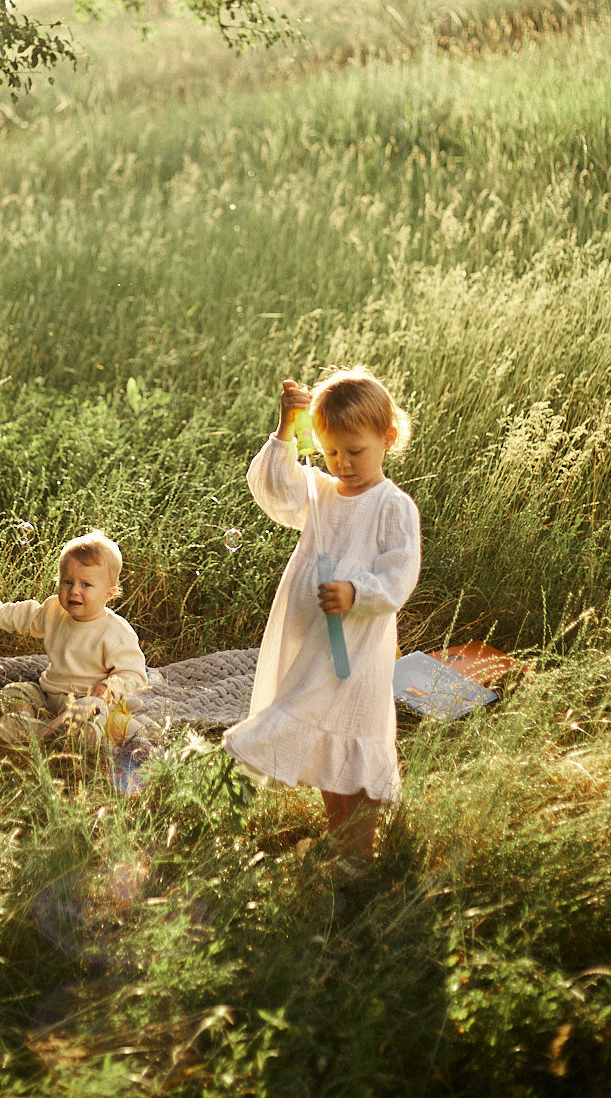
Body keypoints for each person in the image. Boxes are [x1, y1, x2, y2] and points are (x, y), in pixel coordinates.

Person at [223, 367, 420, 868]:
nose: (344, 464)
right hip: (312, 637)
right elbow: (273, 486)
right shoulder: (322, 493)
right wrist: (288, 428)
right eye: (333, 452)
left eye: (356, 451)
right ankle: (344, 848)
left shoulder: (392, 506)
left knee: (355, 737)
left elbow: (400, 573)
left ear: (387, 438)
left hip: (355, 646)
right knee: (326, 741)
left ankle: (361, 852)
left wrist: (357, 592)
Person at [0, 528, 148, 744]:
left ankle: (81, 734)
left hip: (88, 701)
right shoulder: (54, 610)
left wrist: (111, 688)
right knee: (17, 691)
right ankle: (28, 723)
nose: (74, 591)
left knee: (102, 714)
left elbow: (134, 673)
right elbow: (24, 614)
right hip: (50, 697)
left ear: (109, 594)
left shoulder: (115, 631)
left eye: (86, 585)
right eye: (67, 582)